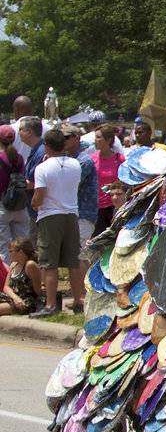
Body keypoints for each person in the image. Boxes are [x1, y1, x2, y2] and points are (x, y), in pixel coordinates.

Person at [31, 127, 85, 315]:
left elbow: (39, 196)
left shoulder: (42, 168)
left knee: (49, 262)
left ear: (47, 145)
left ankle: (51, 305)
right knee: (73, 261)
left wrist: (33, 203)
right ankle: (79, 300)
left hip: (50, 215)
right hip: (71, 213)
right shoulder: (75, 164)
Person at [60, 124, 96, 248]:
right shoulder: (66, 158)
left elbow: (68, 185)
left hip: (83, 215)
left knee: (78, 256)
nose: (62, 141)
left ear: (76, 138)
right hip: (70, 214)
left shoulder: (84, 161)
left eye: (66, 137)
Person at [0, 127, 31, 264]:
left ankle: (7, 281)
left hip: (3, 207)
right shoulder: (18, 158)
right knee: (23, 246)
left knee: (4, 248)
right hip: (20, 205)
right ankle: (25, 276)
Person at [0, 237, 44, 316]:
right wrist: (15, 298)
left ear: (20, 252)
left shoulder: (30, 265)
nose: (9, 254)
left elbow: (38, 291)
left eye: (11, 251)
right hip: (13, 298)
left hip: (25, 301)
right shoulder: (13, 265)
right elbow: (6, 287)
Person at [91, 124, 121, 234]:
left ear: (108, 140)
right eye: (95, 137)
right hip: (97, 207)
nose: (95, 140)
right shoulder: (92, 159)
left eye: (99, 137)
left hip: (115, 205)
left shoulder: (119, 159)